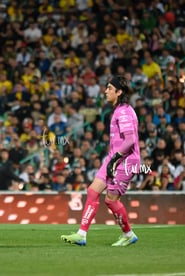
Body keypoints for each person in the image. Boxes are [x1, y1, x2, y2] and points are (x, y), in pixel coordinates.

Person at [61, 75, 140, 247]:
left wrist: (115, 159)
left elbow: (130, 140)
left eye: (110, 88)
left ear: (119, 92)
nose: (105, 91)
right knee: (92, 191)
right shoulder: (118, 110)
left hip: (125, 161)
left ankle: (128, 234)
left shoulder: (125, 111)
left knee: (111, 200)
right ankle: (81, 234)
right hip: (113, 159)